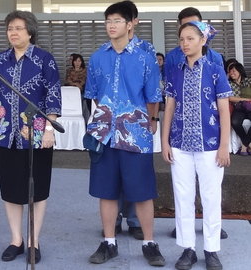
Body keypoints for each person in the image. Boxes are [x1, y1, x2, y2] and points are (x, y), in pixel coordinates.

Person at [85, 2, 165, 266]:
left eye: (117, 20)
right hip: (104, 133)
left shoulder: (145, 55)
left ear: (131, 24)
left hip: (135, 132)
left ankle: (149, 242)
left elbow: (153, 95)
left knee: (142, 191)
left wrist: (152, 120)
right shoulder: (98, 56)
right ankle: (109, 242)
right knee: (105, 190)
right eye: (108, 20)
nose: (111, 25)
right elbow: (94, 95)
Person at [0, 10, 61, 264]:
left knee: (37, 188)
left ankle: (34, 241)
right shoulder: (1, 61)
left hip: (37, 135)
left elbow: (53, 96)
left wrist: (50, 130)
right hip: (6, 135)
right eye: (9, 29)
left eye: (18, 28)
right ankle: (16, 239)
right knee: (11, 189)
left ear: (30, 31)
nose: (13, 32)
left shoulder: (44, 59)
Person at [162, 21, 231, 270]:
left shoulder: (215, 69)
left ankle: (211, 249)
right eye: (181, 39)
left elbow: (224, 109)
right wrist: (165, 141)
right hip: (179, 144)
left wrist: (224, 145)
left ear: (202, 40)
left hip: (210, 145)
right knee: (183, 197)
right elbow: (169, 107)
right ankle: (187, 249)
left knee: (211, 197)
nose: (185, 43)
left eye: (190, 38)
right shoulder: (174, 71)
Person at [227, 62, 251, 155]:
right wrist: (246, 99)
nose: (231, 73)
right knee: (235, 122)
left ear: (240, 71)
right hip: (239, 107)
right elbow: (230, 98)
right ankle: (248, 144)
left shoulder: (248, 81)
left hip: (250, 106)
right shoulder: (229, 84)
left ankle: (245, 145)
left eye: (234, 71)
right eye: (230, 71)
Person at [64, 53, 90, 118]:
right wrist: (75, 84)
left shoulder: (85, 70)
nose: (77, 63)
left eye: (79, 61)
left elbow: (83, 81)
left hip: (81, 91)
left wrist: (79, 86)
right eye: (75, 61)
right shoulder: (69, 70)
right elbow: (68, 80)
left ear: (82, 62)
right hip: (71, 91)